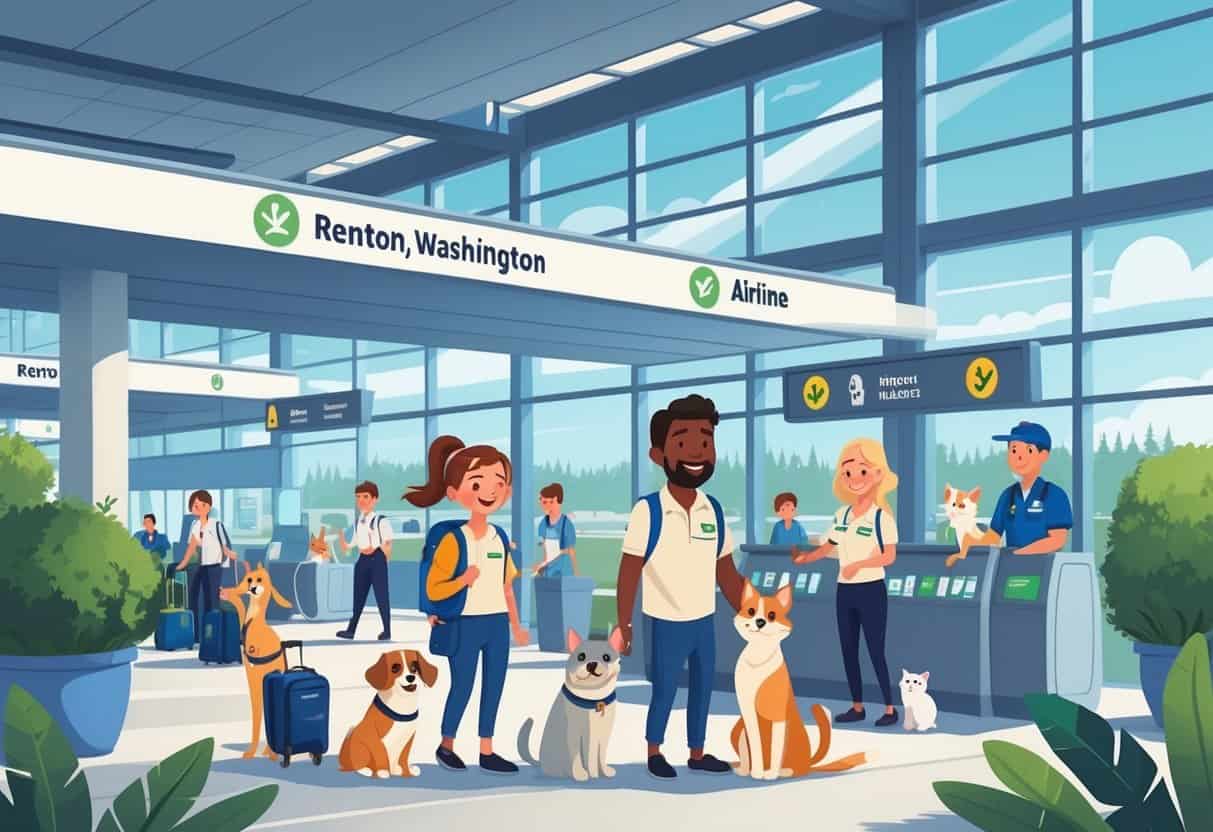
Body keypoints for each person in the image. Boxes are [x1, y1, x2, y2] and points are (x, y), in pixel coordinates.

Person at [612, 394, 744, 780]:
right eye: (683, 442)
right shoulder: (648, 511)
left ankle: (697, 751)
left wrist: (753, 613)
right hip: (666, 620)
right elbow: (628, 572)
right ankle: (654, 750)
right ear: (659, 455)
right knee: (665, 689)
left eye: (705, 442)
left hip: (704, 619)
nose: (696, 452)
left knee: (704, 687)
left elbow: (728, 574)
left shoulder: (714, 511)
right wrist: (626, 623)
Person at [407, 435, 530, 775]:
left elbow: (507, 586)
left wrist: (516, 625)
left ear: (506, 491)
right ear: (453, 492)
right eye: (477, 482)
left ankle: (487, 749)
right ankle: (446, 745)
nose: (489, 490)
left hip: (496, 624)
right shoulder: (453, 539)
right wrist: (463, 580)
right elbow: (435, 585)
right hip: (464, 623)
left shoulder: (500, 538)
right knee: (462, 685)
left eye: (498, 482)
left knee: (494, 686)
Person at [792, 438, 900, 728]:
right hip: (845, 591)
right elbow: (828, 546)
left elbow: (889, 556)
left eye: (862, 471)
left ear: (878, 474)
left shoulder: (882, 518)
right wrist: (806, 559)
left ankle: (890, 708)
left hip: (871, 590)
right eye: (847, 471)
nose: (854, 478)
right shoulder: (841, 515)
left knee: (875, 649)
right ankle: (857, 706)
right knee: (848, 648)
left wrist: (859, 565)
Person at [976, 422, 1073, 554]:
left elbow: (1057, 540)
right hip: (1010, 570)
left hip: (1044, 570)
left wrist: (1019, 554)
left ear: (1043, 455)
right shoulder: (1008, 496)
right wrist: (970, 544)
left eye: (1029, 450)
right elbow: (993, 536)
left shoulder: (1054, 495)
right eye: (1014, 450)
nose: (1019, 457)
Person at [176, 490, 238, 644]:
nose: (197, 508)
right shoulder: (195, 525)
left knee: (212, 601)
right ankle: (196, 634)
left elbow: (224, 545)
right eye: (195, 505)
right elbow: (192, 546)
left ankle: (213, 634)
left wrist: (230, 554)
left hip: (213, 566)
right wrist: (183, 563)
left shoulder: (216, 525)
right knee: (193, 599)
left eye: (201, 505)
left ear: (208, 507)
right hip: (199, 567)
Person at [337, 481, 393, 642]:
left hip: (377, 559)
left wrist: (382, 556)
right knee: (358, 596)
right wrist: (341, 538)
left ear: (375, 499)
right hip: (362, 560)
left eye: (365, 497)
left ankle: (387, 630)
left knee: (382, 596)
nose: (361, 500)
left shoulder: (381, 520)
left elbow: (388, 543)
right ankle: (351, 630)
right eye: (358, 497)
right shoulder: (358, 522)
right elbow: (350, 545)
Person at [532, 482, 578, 577]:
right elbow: (545, 552)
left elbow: (569, 551)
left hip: (563, 570)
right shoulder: (543, 524)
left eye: (545, 502)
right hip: (548, 570)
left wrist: (576, 574)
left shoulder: (566, 524)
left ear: (555, 500)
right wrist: (542, 564)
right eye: (541, 502)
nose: (542, 505)